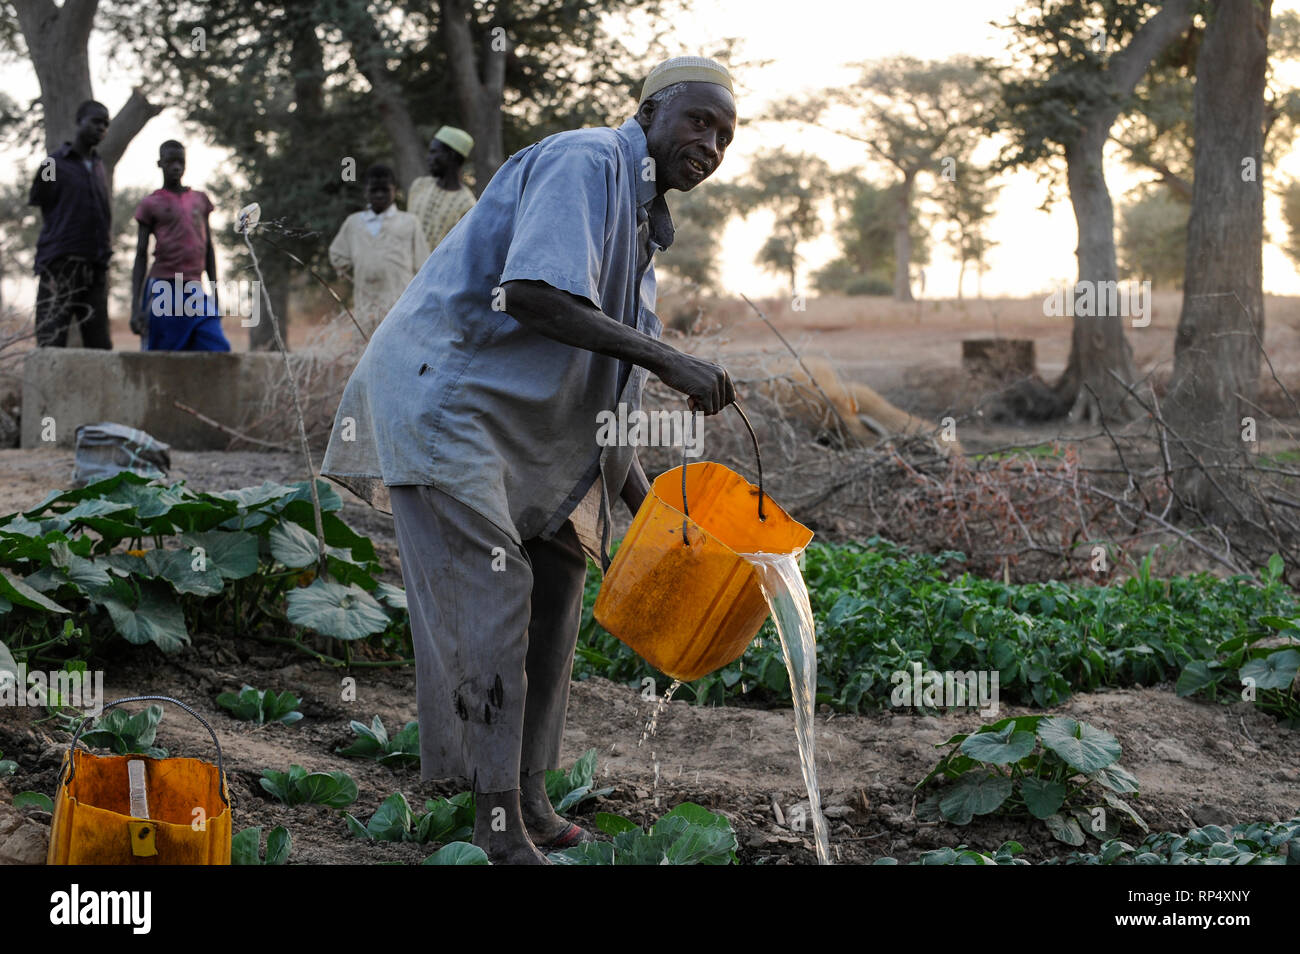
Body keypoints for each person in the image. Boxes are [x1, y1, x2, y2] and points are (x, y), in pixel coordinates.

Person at [321, 55, 738, 865]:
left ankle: (534, 800)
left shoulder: (644, 225)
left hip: (516, 428)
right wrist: (667, 359)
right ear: (649, 110)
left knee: (560, 575)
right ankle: (497, 824)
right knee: (493, 591)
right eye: (698, 119)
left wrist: (652, 507)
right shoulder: (586, 161)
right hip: (450, 397)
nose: (711, 143)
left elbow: (606, 385)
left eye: (725, 134)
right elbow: (534, 296)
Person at [28, 100, 114, 349]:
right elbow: (41, 201)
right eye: (96, 122)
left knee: (100, 346)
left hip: (95, 268)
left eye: (106, 125)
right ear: (79, 122)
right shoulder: (52, 164)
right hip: (60, 266)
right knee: (51, 341)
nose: (102, 129)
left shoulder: (99, 167)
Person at [130, 141, 231, 351]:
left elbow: (209, 249)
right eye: (170, 162)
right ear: (160, 164)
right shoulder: (151, 203)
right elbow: (141, 255)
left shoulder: (200, 200)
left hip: (195, 288)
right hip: (163, 287)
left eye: (180, 162)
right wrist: (136, 307)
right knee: (164, 356)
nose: (176, 167)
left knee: (217, 348)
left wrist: (214, 295)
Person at [328, 164, 428, 338]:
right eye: (374, 190)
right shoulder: (354, 223)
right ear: (365, 191)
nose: (379, 194)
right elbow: (337, 254)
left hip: (399, 304)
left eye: (385, 190)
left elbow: (424, 264)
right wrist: (346, 272)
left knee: (397, 346)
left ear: (395, 190)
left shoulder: (409, 222)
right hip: (364, 305)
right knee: (364, 350)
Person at [406, 126, 476, 251]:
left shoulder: (467, 205)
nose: (428, 158)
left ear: (451, 155)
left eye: (433, 152)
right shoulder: (419, 186)